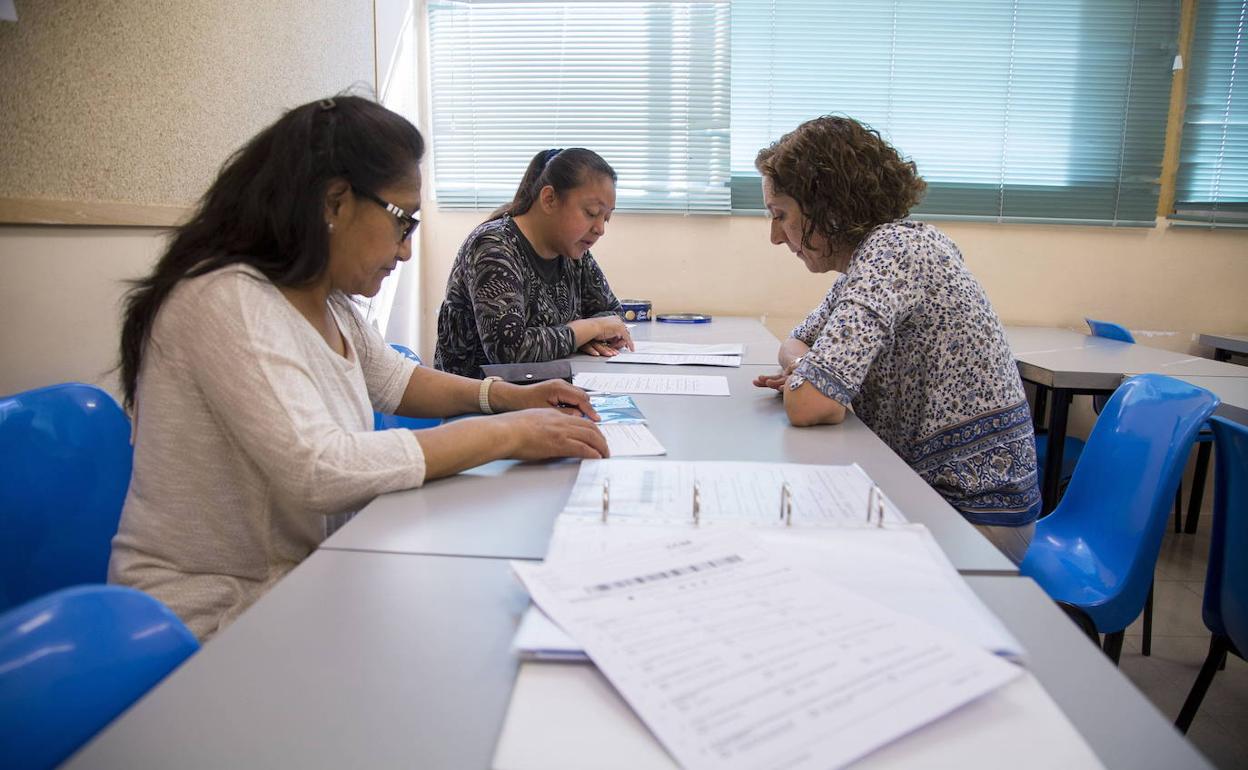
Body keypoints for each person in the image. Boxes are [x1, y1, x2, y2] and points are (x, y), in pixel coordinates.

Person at [110, 96, 608, 641]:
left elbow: (396, 380)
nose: (406, 252)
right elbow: (320, 467)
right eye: (403, 223)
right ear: (336, 203)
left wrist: (508, 398)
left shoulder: (327, 300)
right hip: (207, 619)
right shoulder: (225, 300)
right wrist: (506, 433)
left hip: (305, 580)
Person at [751, 116, 1040, 564]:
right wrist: (808, 372)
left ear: (826, 205)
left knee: (780, 546)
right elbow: (794, 344)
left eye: (780, 215)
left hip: (974, 516)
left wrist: (810, 379)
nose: (774, 237)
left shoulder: (896, 252)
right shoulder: (869, 261)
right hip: (925, 489)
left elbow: (811, 405)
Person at [434, 148, 633, 378]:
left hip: (546, 391)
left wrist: (584, 336)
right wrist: (588, 330)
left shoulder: (572, 249)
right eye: (591, 213)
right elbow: (510, 351)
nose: (600, 229)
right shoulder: (493, 246)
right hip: (479, 402)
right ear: (549, 199)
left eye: (606, 217)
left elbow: (612, 314)